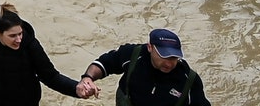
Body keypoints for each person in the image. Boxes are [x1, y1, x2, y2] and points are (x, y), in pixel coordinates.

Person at [0, 3, 93, 103]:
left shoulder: (30, 45)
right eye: (12, 36)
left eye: (20, 33)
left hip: (22, 100)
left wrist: (76, 89)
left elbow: (50, 76)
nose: (19, 39)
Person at [77, 30, 208, 106]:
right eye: (164, 56)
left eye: (174, 58)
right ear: (150, 47)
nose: (169, 64)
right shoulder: (133, 55)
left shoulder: (189, 80)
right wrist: (88, 78)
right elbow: (104, 64)